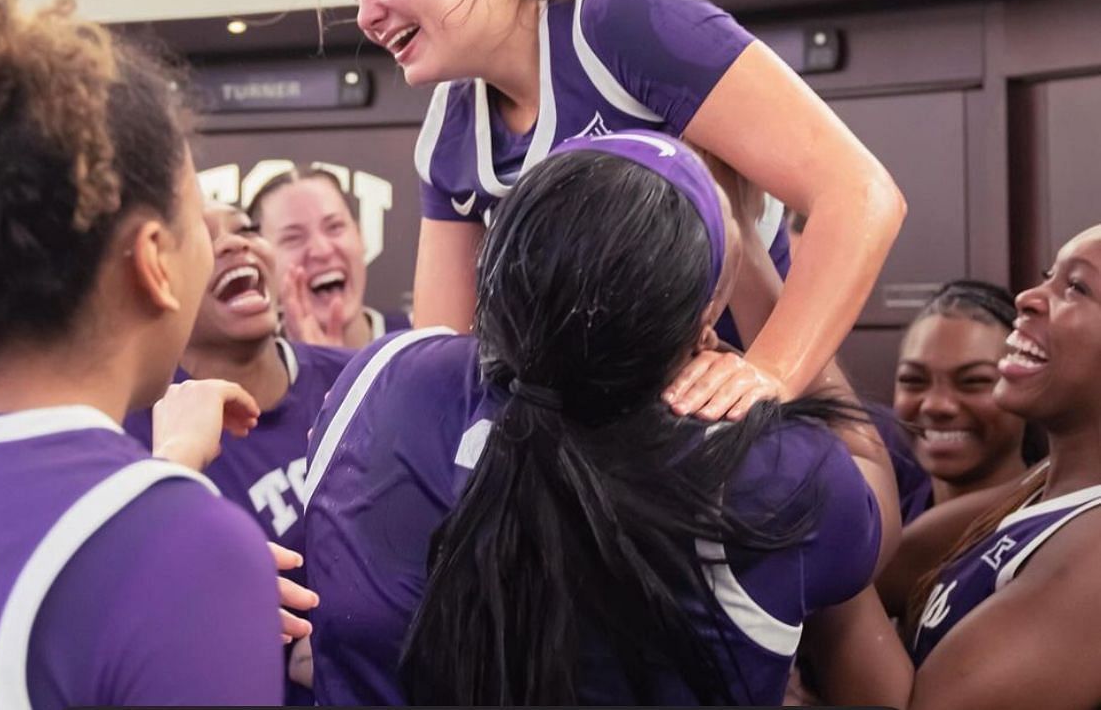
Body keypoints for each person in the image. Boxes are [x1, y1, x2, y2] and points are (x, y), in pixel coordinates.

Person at [304, 131, 906, 706]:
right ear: (701, 324)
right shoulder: (764, 472)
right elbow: (873, 498)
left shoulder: (382, 377)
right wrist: (747, 250)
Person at [325, 0, 905, 416]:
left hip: (726, 423)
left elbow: (860, 194)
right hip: (589, 444)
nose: (366, 15)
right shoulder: (450, 128)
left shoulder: (615, 24)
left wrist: (771, 370)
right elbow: (447, 362)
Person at [0, 0, 286, 708]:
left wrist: (160, 478)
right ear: (153, 259)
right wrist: (169, 514)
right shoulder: (187, 552)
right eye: (197, 217)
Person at [125, 200, 351, 700]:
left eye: (246, 227)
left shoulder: (359, 380)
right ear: (158, 278)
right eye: (204, 237)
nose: (234, 242)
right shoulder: (133, 439)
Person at [899, 225, 1101, 709]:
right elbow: (874, 568)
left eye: (1076, 286)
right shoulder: (1046, 487)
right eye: (1049, 277)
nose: (1029, 298)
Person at [890, 280, 1045, 522]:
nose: (936, 405)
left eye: (973, 381)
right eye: (913, 379)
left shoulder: (1065, 532)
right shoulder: (878, 532)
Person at [248, 166, 410, 348]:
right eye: (293, 238)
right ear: (262, 265)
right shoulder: (249, 372)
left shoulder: (420, 343)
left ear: (360, 235)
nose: (322, 251)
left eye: (334, 227)